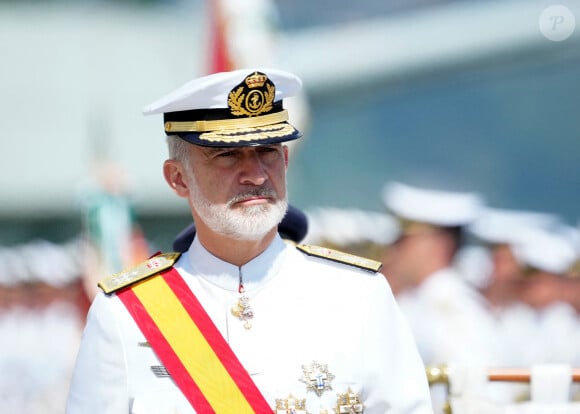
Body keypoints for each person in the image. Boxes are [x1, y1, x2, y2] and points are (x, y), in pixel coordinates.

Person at [66, 68, 433, 414]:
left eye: (268, 152)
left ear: (285, 159)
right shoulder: (125, 313)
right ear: (178, 178)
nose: (256, 175)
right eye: (227, 155)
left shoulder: (358, 294)